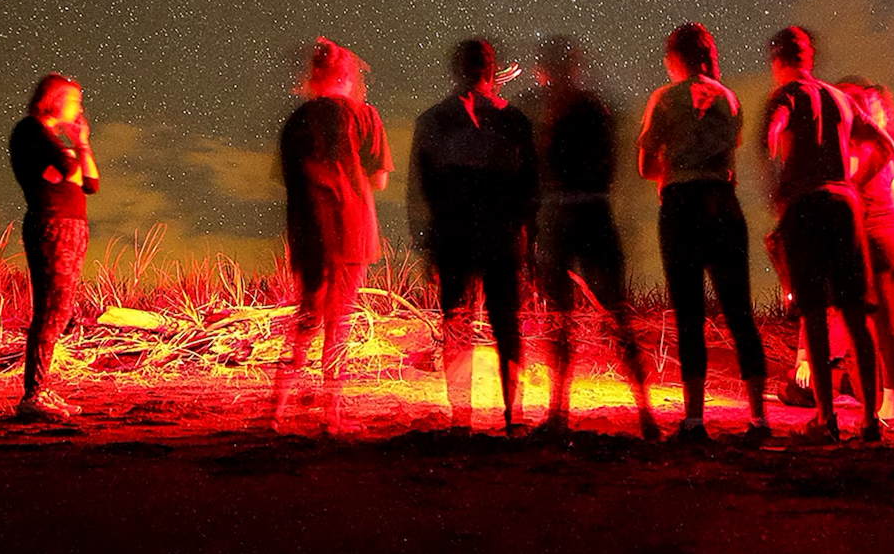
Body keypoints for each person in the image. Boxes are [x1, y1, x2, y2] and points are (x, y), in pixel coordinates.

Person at [637, 22, 771, 444]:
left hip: (682, 203)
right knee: (739, 311)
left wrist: (669, 170)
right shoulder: (730, 98)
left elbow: (645, 164)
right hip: (723, 201)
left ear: (675, 58)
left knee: (689, 313)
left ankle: (694, 420)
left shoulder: (664, 97)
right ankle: (758, 417)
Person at [520, 36, 658, 440]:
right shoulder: (598, 109)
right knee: (614, 314)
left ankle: (559, 411)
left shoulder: (553, 112)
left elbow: (540, 169)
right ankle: (644, 411)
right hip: (594, 213)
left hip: (566, 214)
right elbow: (608, 167)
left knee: (564, 317)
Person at [760, 27, 893, 444]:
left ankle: (825, 417)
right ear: (810, 57)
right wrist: (853, 178)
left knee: (814, 314)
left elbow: (769, 139)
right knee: (856, 312)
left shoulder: (784, 96)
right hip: (845, 203)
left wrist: (776, 187)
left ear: (778, 61)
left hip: (806, 204)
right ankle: (871, 420)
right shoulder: (840, 98)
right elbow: (884, 142)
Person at [409, 38, 539, 434]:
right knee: (506, 322)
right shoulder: (513, 119)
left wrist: (425, 241)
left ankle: (461, 416)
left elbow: (421, 187)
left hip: (453, 231)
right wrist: (529, 241)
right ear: (490, 71)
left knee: (457, 322)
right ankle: (513, 414)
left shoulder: (433, 119)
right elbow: (530, 186)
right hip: (500, 230)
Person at [275, 36, 392, 434]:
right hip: (352, 228)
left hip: (308, 229)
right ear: (348, 76)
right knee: (337, 324)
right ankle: (332, 414)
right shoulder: (364, 116)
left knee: (306, 317)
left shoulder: (296, 121)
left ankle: (277, 407)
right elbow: (378, 180)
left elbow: (289, 178)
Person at [8, 73, 99, 422]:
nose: (78, 108)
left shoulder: (50, 138)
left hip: (71, 225)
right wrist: (70, 160)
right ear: (54, 99)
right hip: (53, 226)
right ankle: (33, 395)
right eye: (73, 100)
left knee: (59, 309)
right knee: (51, 310)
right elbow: (69, 170)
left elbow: (88, 181)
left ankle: (40, 389)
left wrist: (81, 143)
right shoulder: (31, 131)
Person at [838, 78, 894, 430]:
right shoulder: (887, 152)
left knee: (886, 328)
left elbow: (848, 189)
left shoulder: (860, 149)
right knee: (887, 327)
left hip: (877, 240)